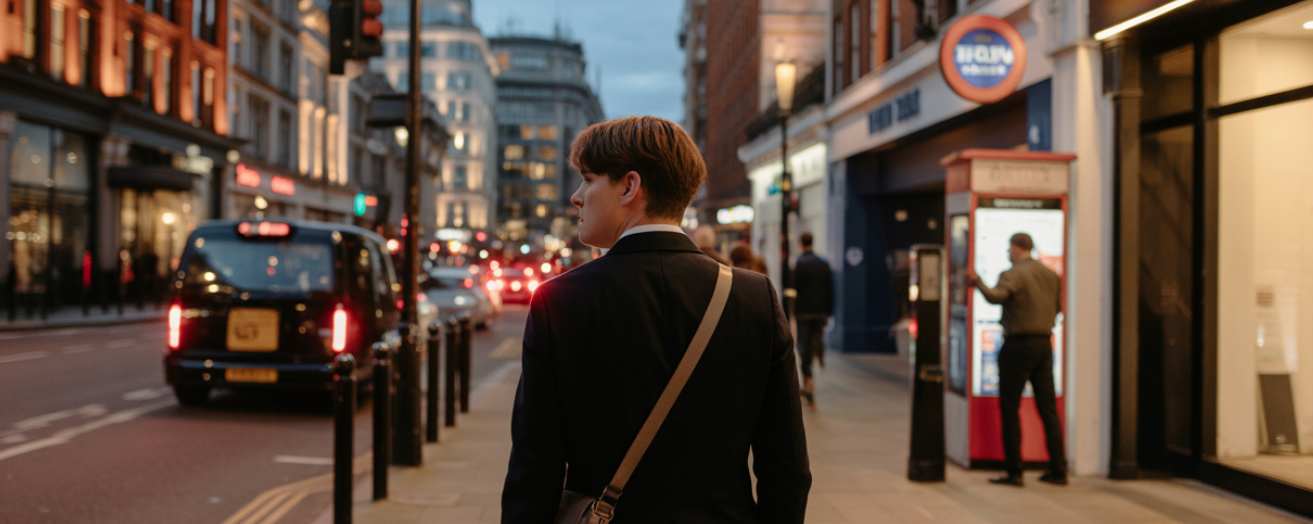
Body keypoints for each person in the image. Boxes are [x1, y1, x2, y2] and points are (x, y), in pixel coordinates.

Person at [502, 116, 811, 522]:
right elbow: (786, 468)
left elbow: (534, 468)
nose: (576, 197)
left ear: (630, 186)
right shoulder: (753, 298)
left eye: (588, 179)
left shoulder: (560, 300)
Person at [966, 232, 1066, 487]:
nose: (1008, 254)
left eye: (1009, 249)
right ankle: (1058, 469)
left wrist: (977, 282)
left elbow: (995, 297)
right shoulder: (1050, 275)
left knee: (1010, 408)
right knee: (1048, 409)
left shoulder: (1013, 274)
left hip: (1018, 344)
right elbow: (1057, 309)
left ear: (1017, 248)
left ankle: (1014, 471)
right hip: (1044, 344)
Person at [791, 232, 834, 405]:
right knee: (815, 337)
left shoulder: (799, 264)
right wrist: (829, 311)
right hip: (820, 312)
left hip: (804, 313)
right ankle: (819, 346)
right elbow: (830, 288)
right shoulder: (823, 264)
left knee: (803, 347)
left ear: (801, 243)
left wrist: (792, 312)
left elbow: (794, 290)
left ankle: (808, 380)